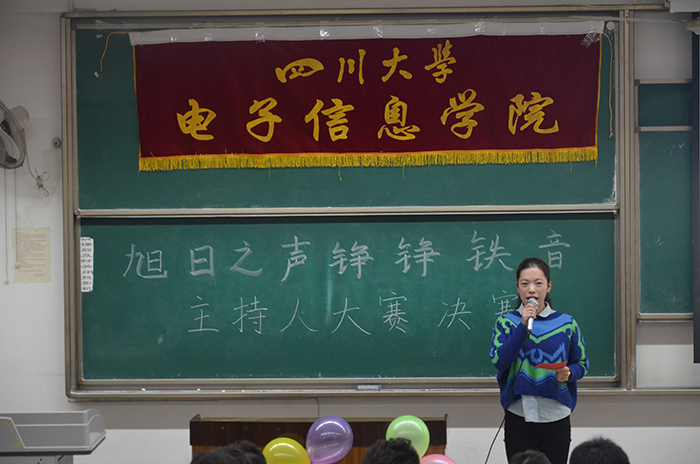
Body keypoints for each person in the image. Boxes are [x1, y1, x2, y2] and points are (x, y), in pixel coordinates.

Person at [490, 257, 589, 464]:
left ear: (548, 286)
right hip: (519, 415)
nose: (531, 290)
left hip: (556, 415)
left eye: (538, 283)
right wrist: (522, 325)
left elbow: (581, 364)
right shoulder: (506, 322)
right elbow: (499, 361)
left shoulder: (566, 324)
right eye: (525, 284)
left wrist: (569, 373)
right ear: (517, 287)